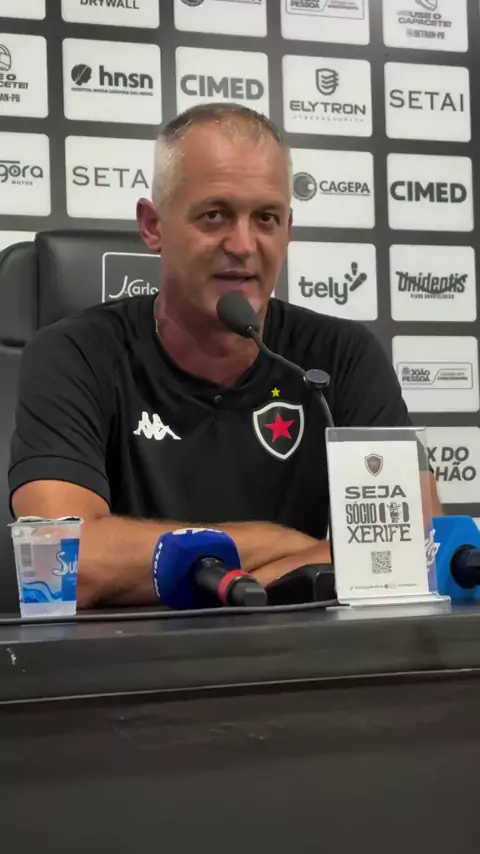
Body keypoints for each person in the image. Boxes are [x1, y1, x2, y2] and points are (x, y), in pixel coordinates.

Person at [8, 103, 441, 608]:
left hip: (293, 651)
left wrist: (257, 572)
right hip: (125, 654)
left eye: (266, 218)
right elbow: (60, 565)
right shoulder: (74, 354)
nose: (242, 244)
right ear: (153, 226)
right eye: (214, 215)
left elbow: (415, 551)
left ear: (288, 228)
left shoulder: (340, 357)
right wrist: (285, 546)